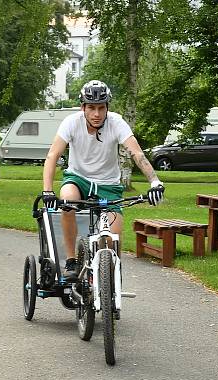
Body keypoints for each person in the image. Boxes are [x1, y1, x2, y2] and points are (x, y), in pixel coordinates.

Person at [42, 80, 165, 280]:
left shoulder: (117, 122)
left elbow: (137, 153)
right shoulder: (71, 123)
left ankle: (105, 283)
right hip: (78, 179)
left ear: (107, 107)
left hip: (108, 186)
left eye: (101, 108)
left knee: (110, 241)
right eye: (91, 108)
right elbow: (52, 156)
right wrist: (48, 190)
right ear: (83, 107)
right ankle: (72, 261)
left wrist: (154, 181)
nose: (96, 114)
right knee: (67, 201)